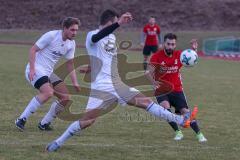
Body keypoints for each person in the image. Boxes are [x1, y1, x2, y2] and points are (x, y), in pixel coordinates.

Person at [46, 10, 198, 152]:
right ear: (110, 22)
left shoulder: (112, 38)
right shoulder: (92, 35)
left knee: (145, 102)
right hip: (102, 87)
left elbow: (104, 59)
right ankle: (58, 142)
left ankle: (180, 120)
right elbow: (96, 39)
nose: (116, 26)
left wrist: (91, 67)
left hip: (116, 83)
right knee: (87, 122)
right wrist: (118, 23)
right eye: (114, 23)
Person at [15, 17, 81, 131]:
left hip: (48, 73)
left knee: (65, 98)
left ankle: (44, 124)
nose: (74, 33)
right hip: (36, 69)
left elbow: (70, 64)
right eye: (72, 30)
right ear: (64, 28)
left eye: (76, 30)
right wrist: (31, 69)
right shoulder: (51, 35)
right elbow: (33, 50)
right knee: (48, 92)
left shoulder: (71, 44)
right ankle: (21, 119)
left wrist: (75, 82)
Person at [147, 33, 207, 142]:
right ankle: (178, 132)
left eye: (173, 44)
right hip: (162, 90)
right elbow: (148, 72)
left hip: (177, 89)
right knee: (165, 108)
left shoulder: (179, 55)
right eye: (168, 44)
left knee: (185, 112)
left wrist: (194, 50)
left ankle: (199, 134)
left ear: (175, 45)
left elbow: (190, 59)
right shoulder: (156, 56)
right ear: (164, 44)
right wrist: (153, 82)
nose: (170, 46)